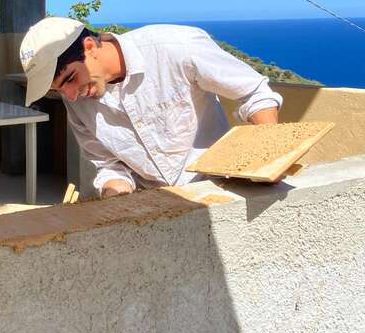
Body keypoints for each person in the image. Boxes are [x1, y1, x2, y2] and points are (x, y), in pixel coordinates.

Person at [19, 17, 282, 198]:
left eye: (70, 79)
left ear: (90, 47)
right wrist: (115, 194)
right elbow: (110, 164)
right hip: (155, 205)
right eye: (58, 90)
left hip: (220, 190)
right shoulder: (76, 102)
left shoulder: (175, 47)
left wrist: (268, 161)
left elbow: (254, 92)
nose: (70, 96)